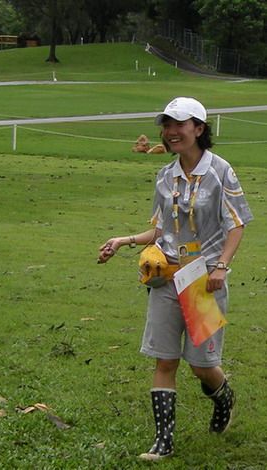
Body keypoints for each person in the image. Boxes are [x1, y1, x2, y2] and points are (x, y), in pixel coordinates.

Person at [97, 97, 253, 461]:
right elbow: (158, 230)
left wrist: (221, 266)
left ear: (199, 128)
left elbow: (237, 224)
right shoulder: (165, 175)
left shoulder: (220, 171)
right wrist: (124, 240)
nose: (170, 132)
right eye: (166, 125)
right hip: (166, 276)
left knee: (201, 365)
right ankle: (163, 442)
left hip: (203, 279)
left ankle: (224, 396)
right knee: (165, 360)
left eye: (179, 124)